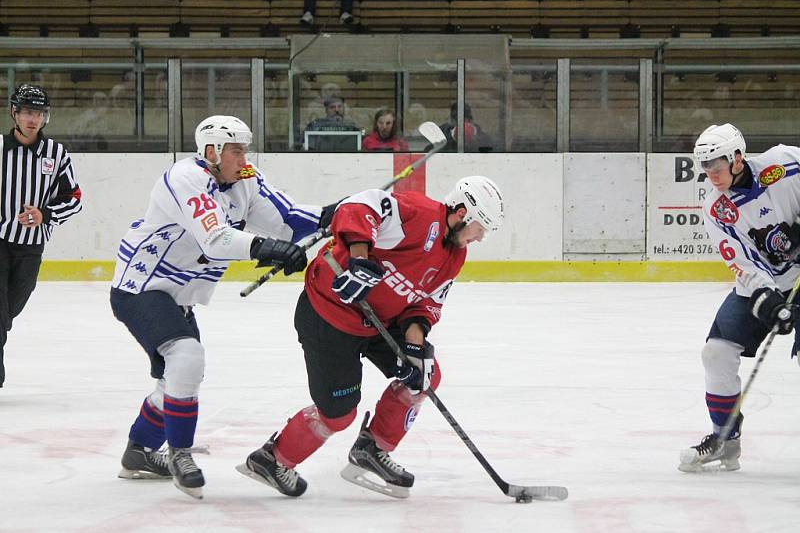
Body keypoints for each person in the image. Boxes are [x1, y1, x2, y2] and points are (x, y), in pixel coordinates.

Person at [110, 115, 336, 499]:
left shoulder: (247, 178)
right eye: (235, 150)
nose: (243, 156)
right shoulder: (185, 179)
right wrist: (264, 248)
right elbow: (215, 238)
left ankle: (139, 453)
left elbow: (287, 221)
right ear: (211, 151)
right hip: (142, 284)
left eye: (244, 149)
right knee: (187, 357)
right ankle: (180, 454)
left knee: (176, 378)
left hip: (179, 295)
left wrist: (343, 213)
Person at [237, 176, 504, 499]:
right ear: (462, 212)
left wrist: (414, 346)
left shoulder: (454, 257)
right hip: (328, 314)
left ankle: (372, 448)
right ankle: (271, 460)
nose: (481, 236)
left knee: (423, 375)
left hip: (379, 321)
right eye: (480, 226)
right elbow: (358, 205)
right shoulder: (418, 213)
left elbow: (425, 305)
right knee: (338, 414)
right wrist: (361, 259)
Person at [679, 123, 800, 473]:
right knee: (715, 353)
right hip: (765, 285)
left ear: (737, 158)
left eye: (716, 167)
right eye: (706, 170)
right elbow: (741, 263)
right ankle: (725, 440)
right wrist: (769, 301)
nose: (712, 176)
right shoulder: (717, 209)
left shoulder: (785, 164)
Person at [0, 84, 82, 388]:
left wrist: (45, 214)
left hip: (32, 247)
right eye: (26, 112)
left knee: (10, 310)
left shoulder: (56, 154)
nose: (32, 118)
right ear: (14, 113)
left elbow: (74, 197)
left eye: (38, 112)